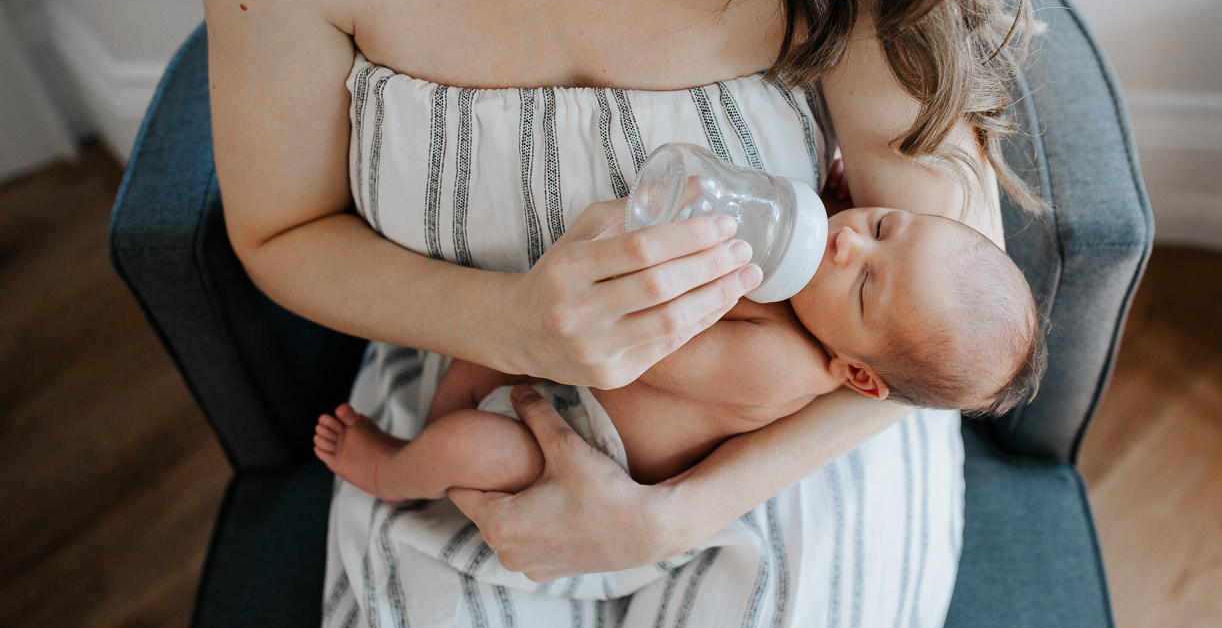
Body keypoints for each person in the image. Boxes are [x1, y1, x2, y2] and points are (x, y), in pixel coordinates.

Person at [194, 0, 1042, 628]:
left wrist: (679, 512)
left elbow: (927, 318)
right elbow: (282, 231)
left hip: (794, 455)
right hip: (487, 402)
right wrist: (509, 323)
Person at [313, 205, 1044, 504]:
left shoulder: (782, 365)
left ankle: (391, 471)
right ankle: (442, 410)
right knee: (480, 352)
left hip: (581, 442)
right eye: (884, 225)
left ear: (857, 372)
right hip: (560, 372)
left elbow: (650, 352)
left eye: (864, 286)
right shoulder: (813, 276)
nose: (850, 241)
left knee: (473, 449)